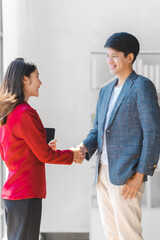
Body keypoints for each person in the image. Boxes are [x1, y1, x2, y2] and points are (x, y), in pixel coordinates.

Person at [77, 32, 160, 240]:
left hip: (127, 175)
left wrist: (140, 176)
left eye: (114, 56)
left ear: (129, 57)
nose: (109, 61)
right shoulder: (105, 91)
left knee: (128, 234)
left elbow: (152, 133)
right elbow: (97, 129)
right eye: (107, 56)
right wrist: (84, 148)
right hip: (102, 173)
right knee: (111, 234)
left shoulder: (142, 86)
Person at [0, 58, 84, 240]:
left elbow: (8, 153)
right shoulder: (25, 113)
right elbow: (45, 155)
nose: (40, 82)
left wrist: (40, 147)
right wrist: (73, 154)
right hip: (26, 192)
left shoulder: (8, 112)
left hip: (13, 193)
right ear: (24, 79)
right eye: (37, 77)